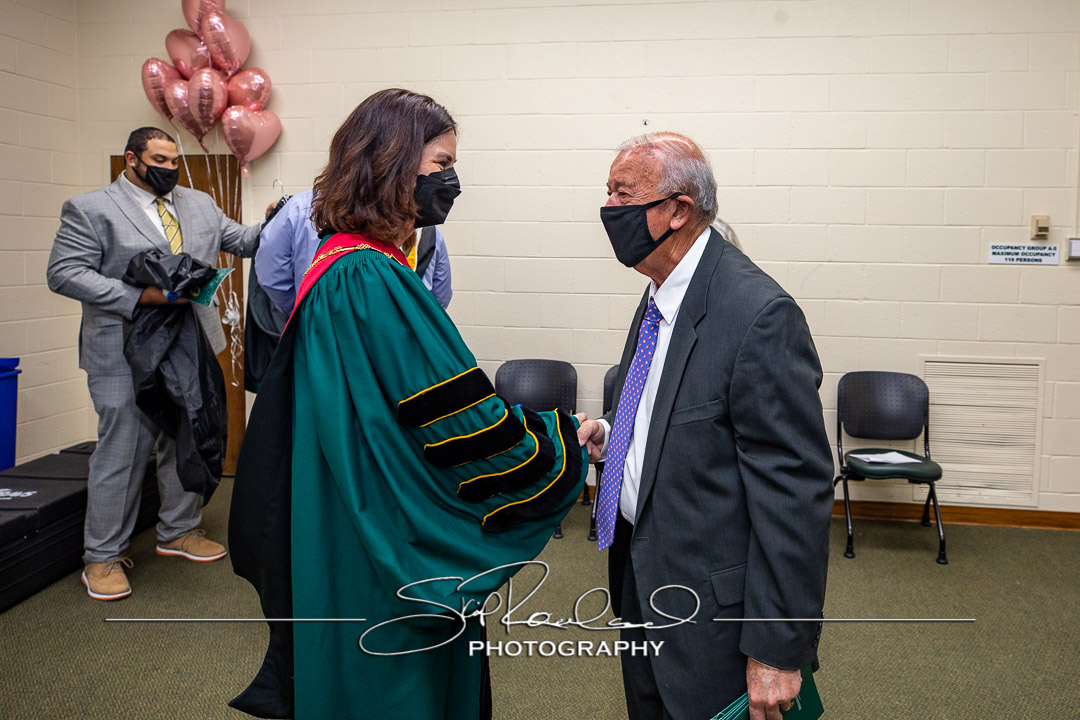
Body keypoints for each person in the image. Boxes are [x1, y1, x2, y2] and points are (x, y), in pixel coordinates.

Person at [228, 88, 586, 720]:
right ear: (393, 163)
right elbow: (455, 414)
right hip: (380, 526)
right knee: (392, 686)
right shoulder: (370, 278)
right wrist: (556, 443)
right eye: (441, 162)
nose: (452, 180)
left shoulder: (341, 263)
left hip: (343, 501)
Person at [575, 132, 834, 720]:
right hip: (645, 580)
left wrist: (776, 648)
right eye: (607, 192)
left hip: (716, 617)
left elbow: (794, 492)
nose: (608, 209)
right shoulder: (662, 292)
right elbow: (686, 415)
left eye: (623, 194)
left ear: (677, 210)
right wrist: (615, 443)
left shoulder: (758, 315)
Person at [45, 127, 262, 601]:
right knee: (124, 445)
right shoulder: (91, 208)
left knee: (186, 432)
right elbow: (62, 273)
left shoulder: (199, 203)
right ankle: (101, 556)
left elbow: (243, 241)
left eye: (173, 161)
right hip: (124, 345)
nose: (169, 169)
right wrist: (137, 295)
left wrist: (277, 221)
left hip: (189, 340)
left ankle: (178, 532)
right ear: (131, 160)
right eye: (158, 160)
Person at [255, 188, 454, 315]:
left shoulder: (301, 207)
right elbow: (438, 298)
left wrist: (303, 312)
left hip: (321, 334)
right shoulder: (420, 222)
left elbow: (271, 275)